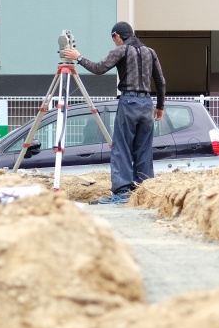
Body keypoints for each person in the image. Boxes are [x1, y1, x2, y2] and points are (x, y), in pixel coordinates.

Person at [61, 21, 165, 204]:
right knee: (143, 148)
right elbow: (161, 81)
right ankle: (144, 188)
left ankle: (123, 191)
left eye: (114, 39)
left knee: (122, 148)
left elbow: (99, 69)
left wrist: (79, 57)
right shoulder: (151, 52)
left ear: (117, 35)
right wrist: (160, 107)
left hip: (129, 101)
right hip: (147, 103)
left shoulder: (122, 50)